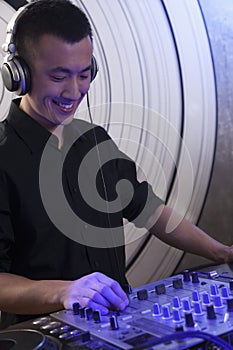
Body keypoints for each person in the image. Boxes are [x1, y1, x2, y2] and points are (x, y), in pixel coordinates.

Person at [0, 0, 232, 330]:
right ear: (18, 74)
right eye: (58, 76)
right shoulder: (4, 157)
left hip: (117, 327)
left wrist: (222, 253)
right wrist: (64, 292)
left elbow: (152, 213)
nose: (74, 91)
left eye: (84, 74)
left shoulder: (95, 141)